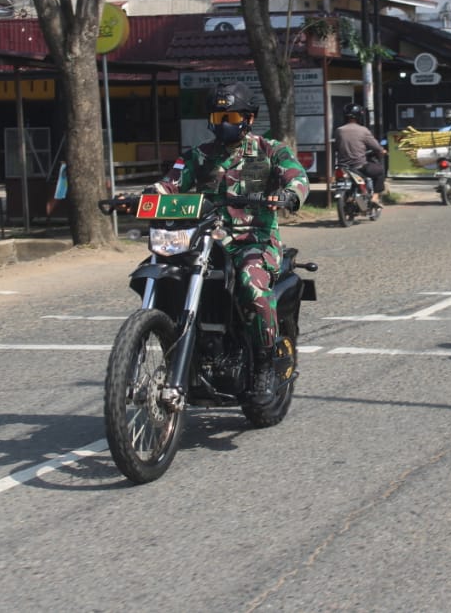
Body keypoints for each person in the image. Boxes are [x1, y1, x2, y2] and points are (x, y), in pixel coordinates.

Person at [147, 82, 310, 404]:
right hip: (203, 239)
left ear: (249, 118)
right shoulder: (197, 156)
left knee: (251, 283)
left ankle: (265, 365)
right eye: (219, 115)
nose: (224, 122)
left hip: (254, 239)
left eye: (232, 115)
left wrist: (290, 195)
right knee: (162, 273)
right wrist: (147, 195)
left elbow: (298, 178)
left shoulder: (270, 150)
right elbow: (169, 184)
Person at [333, 102, 385, 207]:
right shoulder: (363, 130)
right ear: (360, 116)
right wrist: (382, 151)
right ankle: (375, 197)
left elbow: (336, 146)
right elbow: (376, 147)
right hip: (359, 166)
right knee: (380, 171)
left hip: (343, 167)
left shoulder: (339, 130)